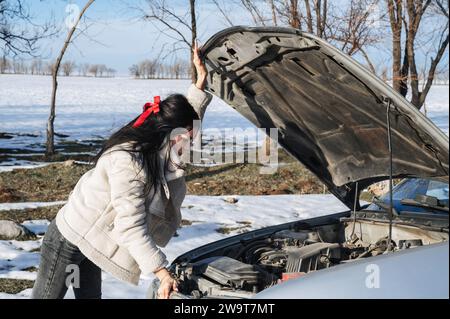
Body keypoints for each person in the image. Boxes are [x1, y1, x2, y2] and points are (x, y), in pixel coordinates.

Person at [31, 42, 212, 299]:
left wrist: (199, 83)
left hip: (95, 241)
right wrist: (161, 272)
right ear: (169, 133)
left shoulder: (162, 146)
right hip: (68, 240)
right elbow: (130, 226)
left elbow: (188, 120)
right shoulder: (129, 161)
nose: (191, 141)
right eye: (187, 135)